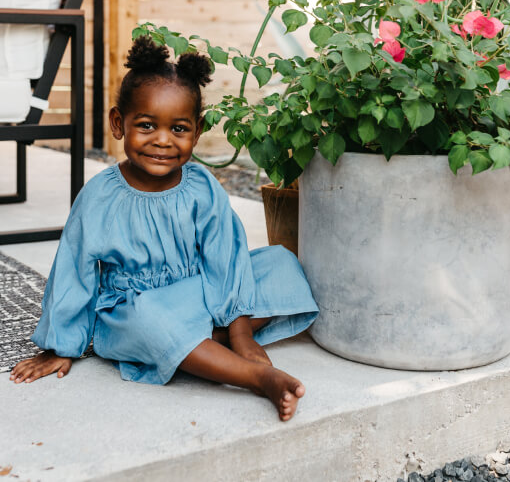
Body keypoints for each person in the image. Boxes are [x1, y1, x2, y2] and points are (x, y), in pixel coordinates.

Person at [10, 36, 318, 422]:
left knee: (281, 265)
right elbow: (74, 271)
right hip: (134, 309)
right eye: (146, 125)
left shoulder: (201, 185)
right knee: (151, 322)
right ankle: (257, 377)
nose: (162, 140)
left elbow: (226, 256)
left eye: (178, 128)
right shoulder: (100, 196)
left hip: (199, 293)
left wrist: (240, 331)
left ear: (198, 129)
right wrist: (62, 344)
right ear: (118, 123)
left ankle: (207, 343)